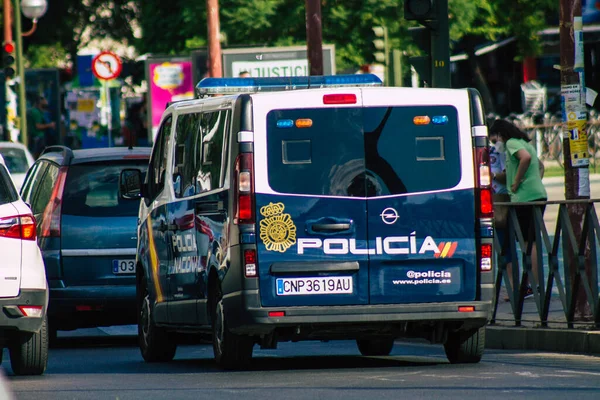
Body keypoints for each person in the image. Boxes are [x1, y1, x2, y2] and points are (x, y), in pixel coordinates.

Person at [490, 119, 547, 300]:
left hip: (525, 198)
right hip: (536, 195)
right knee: (532, 242)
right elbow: (536, 164)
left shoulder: (512, 143)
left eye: (495, 139)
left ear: (500, 134)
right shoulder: (522, 142)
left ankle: (532, 285)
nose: (495, 144)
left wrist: (516, 181)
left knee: (528, 243)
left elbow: (526, 158)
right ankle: (534, 285)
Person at [27, 94, 56, 158]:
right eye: (44, 99)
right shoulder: (35, 112)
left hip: (40, 138)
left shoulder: (40, 112)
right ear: (40, 101)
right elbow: (38, 126)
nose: (46, 101)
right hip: (37, 138)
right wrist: (49, 125)